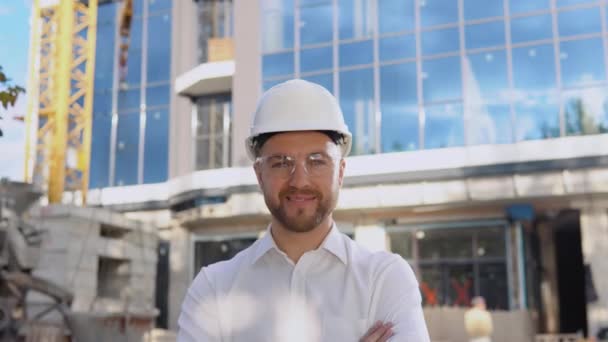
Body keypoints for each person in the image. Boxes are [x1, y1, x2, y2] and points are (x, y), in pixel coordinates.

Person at [177, 79, 430, 342]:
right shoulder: (213, 289)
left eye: (317, 161)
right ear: (259, 175)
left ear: (340, 173)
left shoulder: (385, 278)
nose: (300, 181)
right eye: (281, 163)